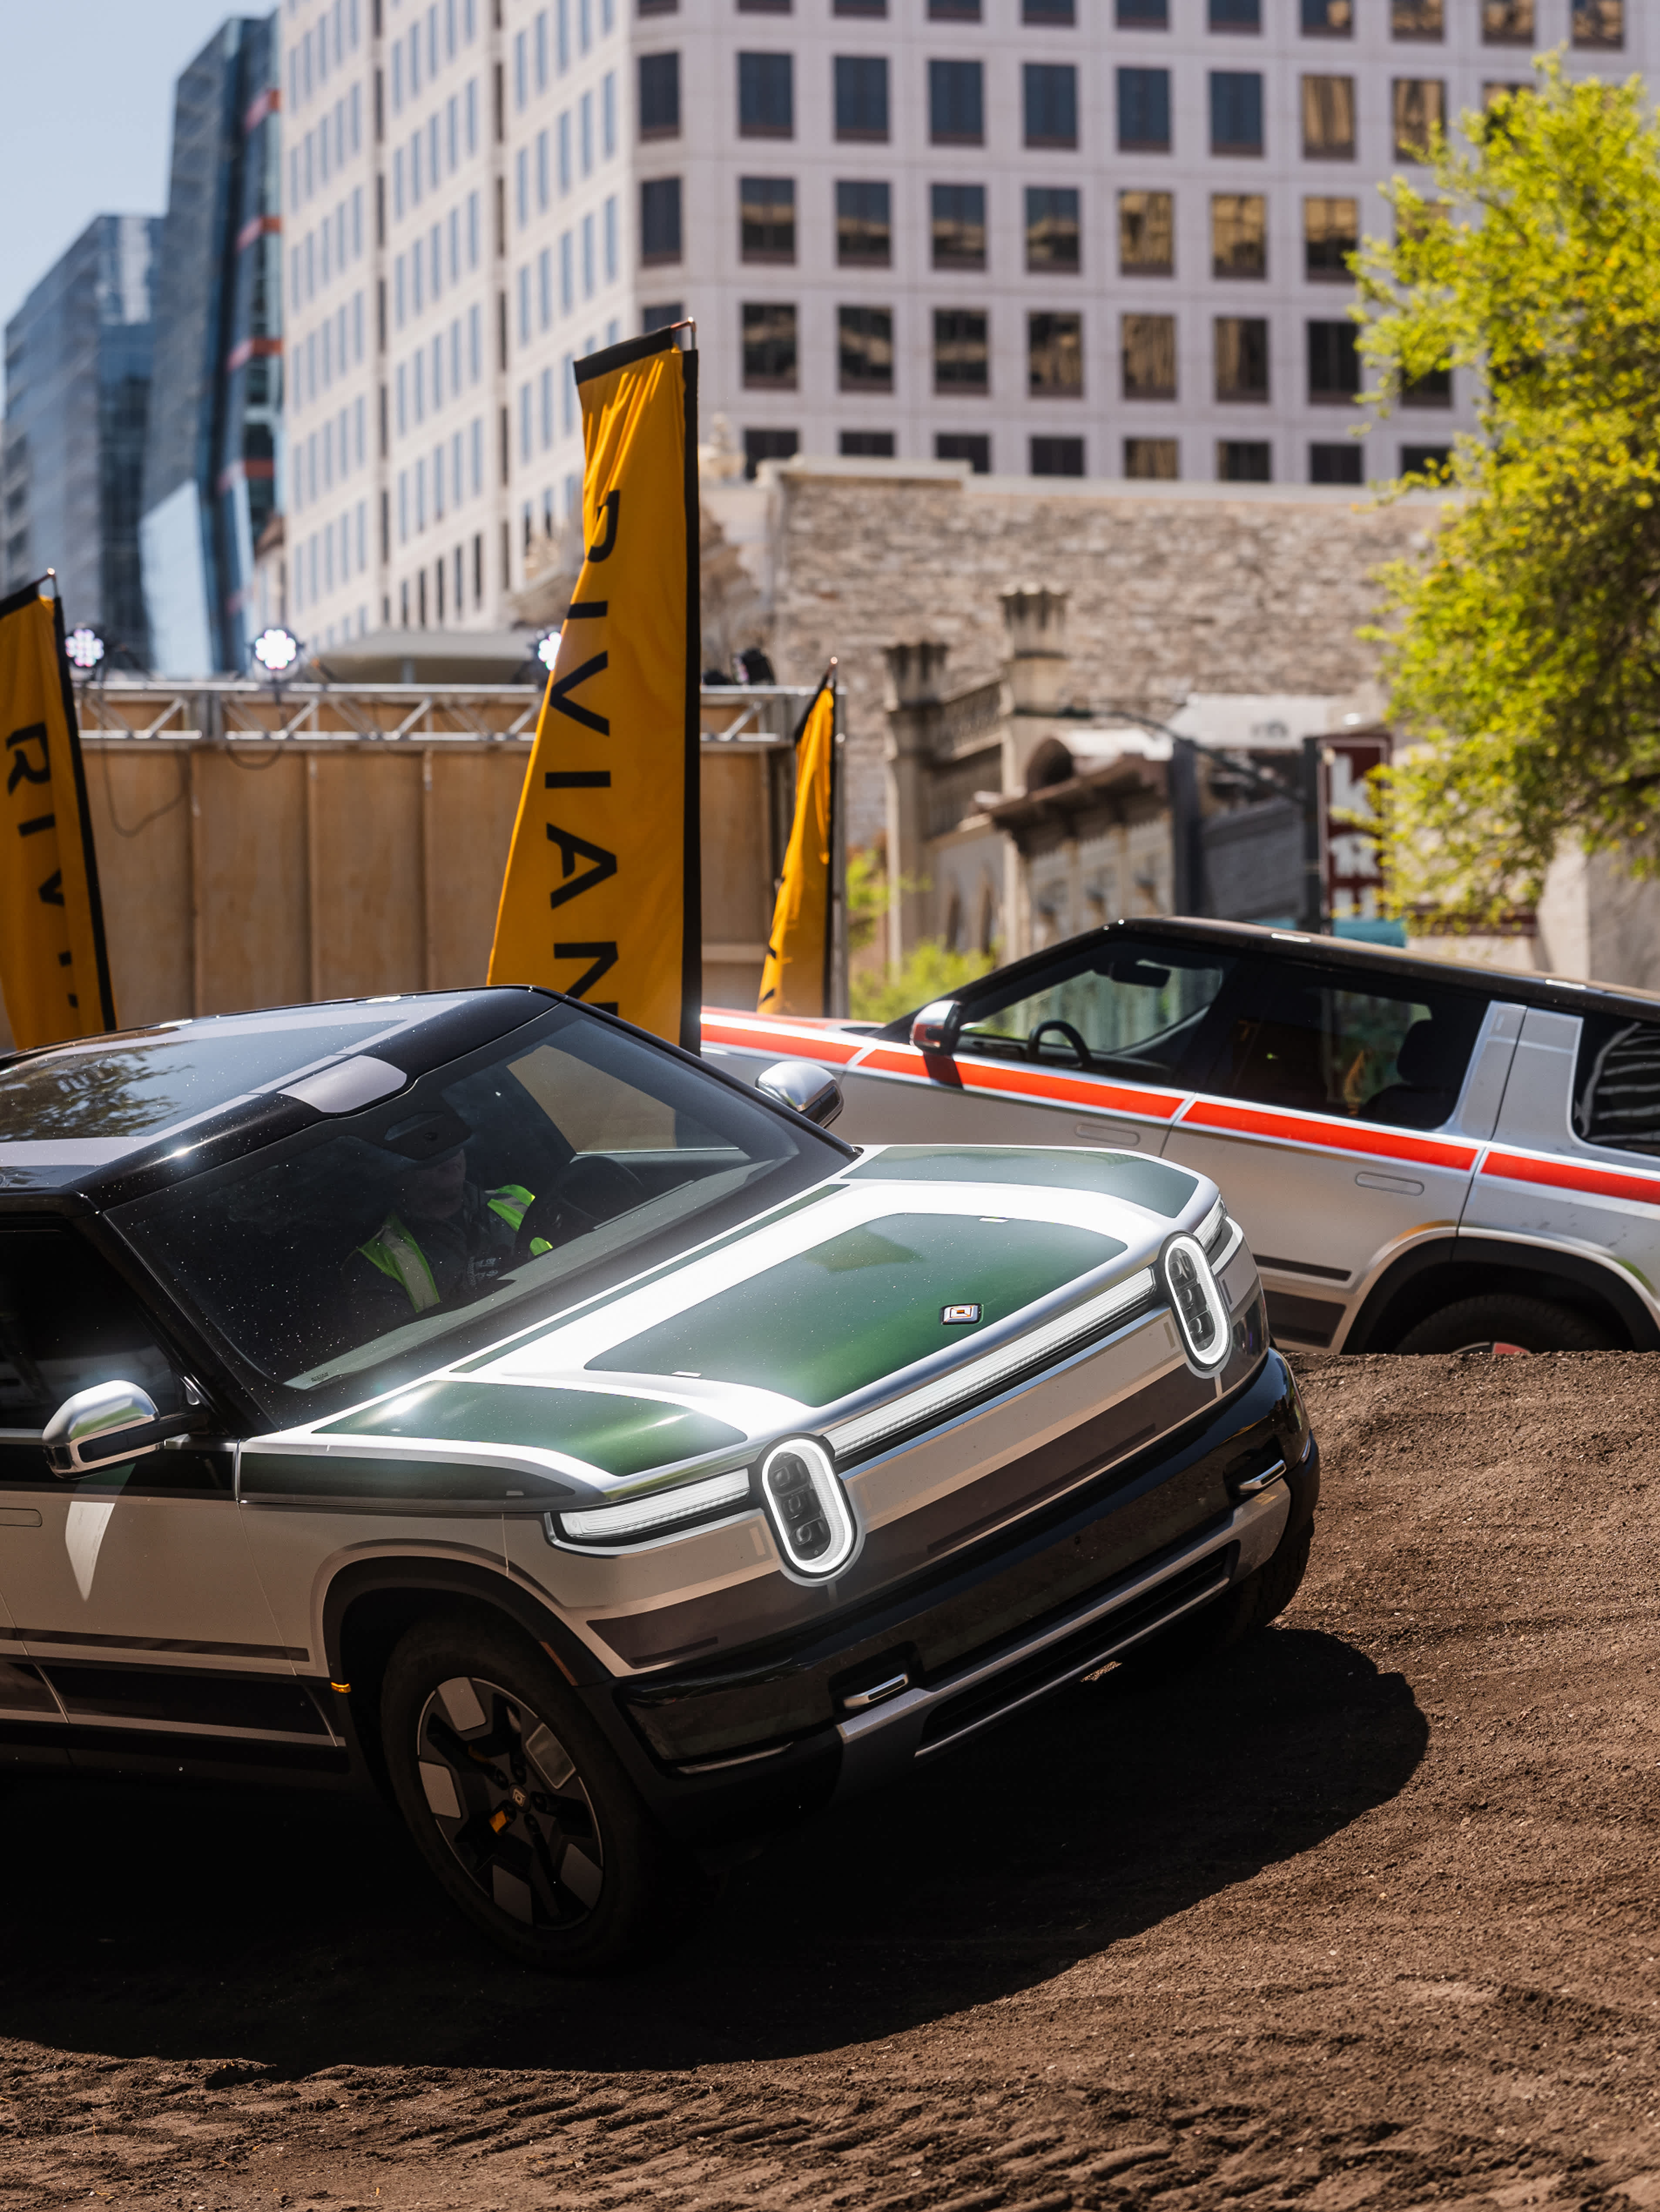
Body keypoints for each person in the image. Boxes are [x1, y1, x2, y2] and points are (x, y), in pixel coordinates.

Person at [346, 1145, 551, 1331]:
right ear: (396, 1170)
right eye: (427, 1149)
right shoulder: (374, 1264)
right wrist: (463, 1297)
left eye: (452, 1141)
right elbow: (402, 1351)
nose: (447, 1153)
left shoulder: (516, 1198)